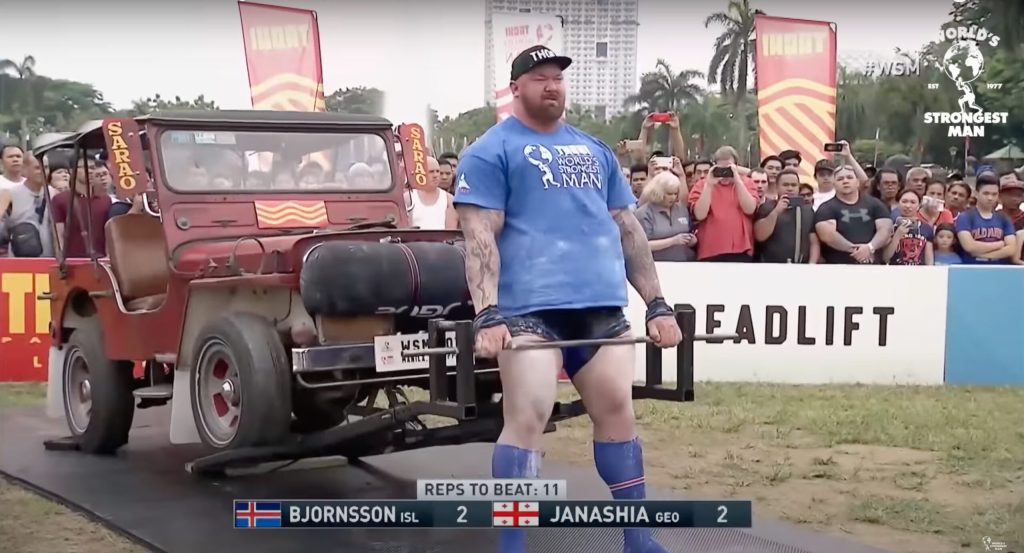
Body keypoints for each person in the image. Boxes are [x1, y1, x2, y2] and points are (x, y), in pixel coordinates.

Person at [452, 44, 681, 553]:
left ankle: (638, 540)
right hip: (528, 312)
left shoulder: (594, 150)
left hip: (600, 308)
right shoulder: (490, 151)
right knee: (528, 417)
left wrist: (657, 303)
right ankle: (512, 547)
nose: (552, 85)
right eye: (539, 77)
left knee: (618, 410)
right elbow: (479, 237)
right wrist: (487, 313)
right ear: (516, 89)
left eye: (557, 77)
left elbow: (628, 229)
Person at [813, 166, 892, 264]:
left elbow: (886, 230)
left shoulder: (876, 204)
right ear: (834, 184)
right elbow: (828, 235)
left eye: (849, 177)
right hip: (837, 268)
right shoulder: (826, 208)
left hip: (873, 267)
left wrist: (870, 247)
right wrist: (856, 251)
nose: (845, 181)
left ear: (857, 182)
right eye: (840, 179)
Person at [754, 168, 820, 263]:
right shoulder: (766, 207)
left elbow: (814, 242)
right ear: (777, 187)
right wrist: (776, 211)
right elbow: (759, 236)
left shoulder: (807, 210)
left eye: (793, 185)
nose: (790, 188)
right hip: (772, 266)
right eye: (785, 185)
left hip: (802, 266)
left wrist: (812, 264)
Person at [955, 174, 1017, 264]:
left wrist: (985, 256)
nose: (990, 198)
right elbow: (969, 246)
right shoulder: (965, 217)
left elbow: (1011, 249)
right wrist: (1000, 244)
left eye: (994, 194)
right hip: (972, 268)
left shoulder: (1003, 218)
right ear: (976, 194)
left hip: (999, 268)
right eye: (986, 193)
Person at [635, 171, 696, 261]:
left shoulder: (682, 209)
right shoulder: (644, 213)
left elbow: (689, 232)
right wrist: (673, 241)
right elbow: (642, 246)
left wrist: (691, 240)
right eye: (669, 194)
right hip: (656, 264)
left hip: (683, 263)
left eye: (675, 194)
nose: (673, 197)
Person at [883, 189, 934, 265]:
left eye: (913, 202)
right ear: (898, 203)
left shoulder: (926, 228)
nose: (908, 205)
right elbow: (885, 257)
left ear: (919, 205)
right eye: (904, 201)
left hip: (919, 273)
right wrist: (897, 235)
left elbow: (929, 260)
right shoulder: (890, 226)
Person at [409, 156, 457, 230]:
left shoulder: (449, 200)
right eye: (431, 172)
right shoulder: (408, 198)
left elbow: (450, 234)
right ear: (421, 172)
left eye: (437, 171)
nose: (435, 175)